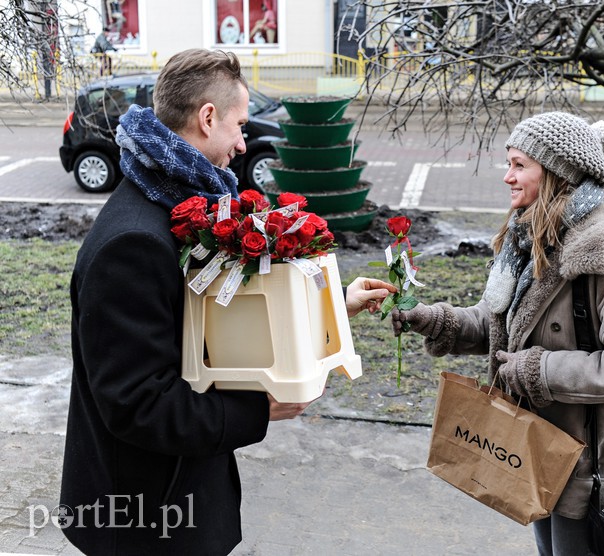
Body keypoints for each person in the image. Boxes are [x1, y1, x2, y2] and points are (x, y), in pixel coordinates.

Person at [60, 48, 394, 555]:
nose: (243, 143)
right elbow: (137, 405)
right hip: (145, 518)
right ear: (207, 117)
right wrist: (257, 411)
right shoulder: (134, 241)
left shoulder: (172, 203)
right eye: (240, 125)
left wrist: (329, 307)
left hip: (173, 495)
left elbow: (209, 317)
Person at [392, 112, 604, 555]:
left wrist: (541, 370)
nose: (507, 176)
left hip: (591, 467)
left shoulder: (603, 262)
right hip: (540, 450)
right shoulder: (526, 246)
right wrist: (433, 319)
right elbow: (499, 327)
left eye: (520, 164)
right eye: (509, 162)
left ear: (557, 175)